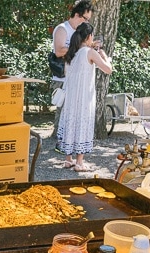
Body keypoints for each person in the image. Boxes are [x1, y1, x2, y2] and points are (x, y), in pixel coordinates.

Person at [56, 22, 112, 172]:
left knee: (71, 124)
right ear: (88, 37)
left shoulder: (71, 53)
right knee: (82, 124)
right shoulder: (89, 52)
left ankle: (68, 159)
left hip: (71, 96)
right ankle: (80, 162)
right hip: (84, 96)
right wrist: (103, 54)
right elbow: (108, 69)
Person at [51, 0, 94, 149]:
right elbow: (58, 51)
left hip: (76, 79)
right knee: (63, 113)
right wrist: (80, 48)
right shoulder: (63, 29)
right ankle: (61, 144)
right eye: (85, 19)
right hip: (63, 78)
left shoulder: (80, 32)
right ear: (77, 14)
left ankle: (70, 146)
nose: (86, 22)